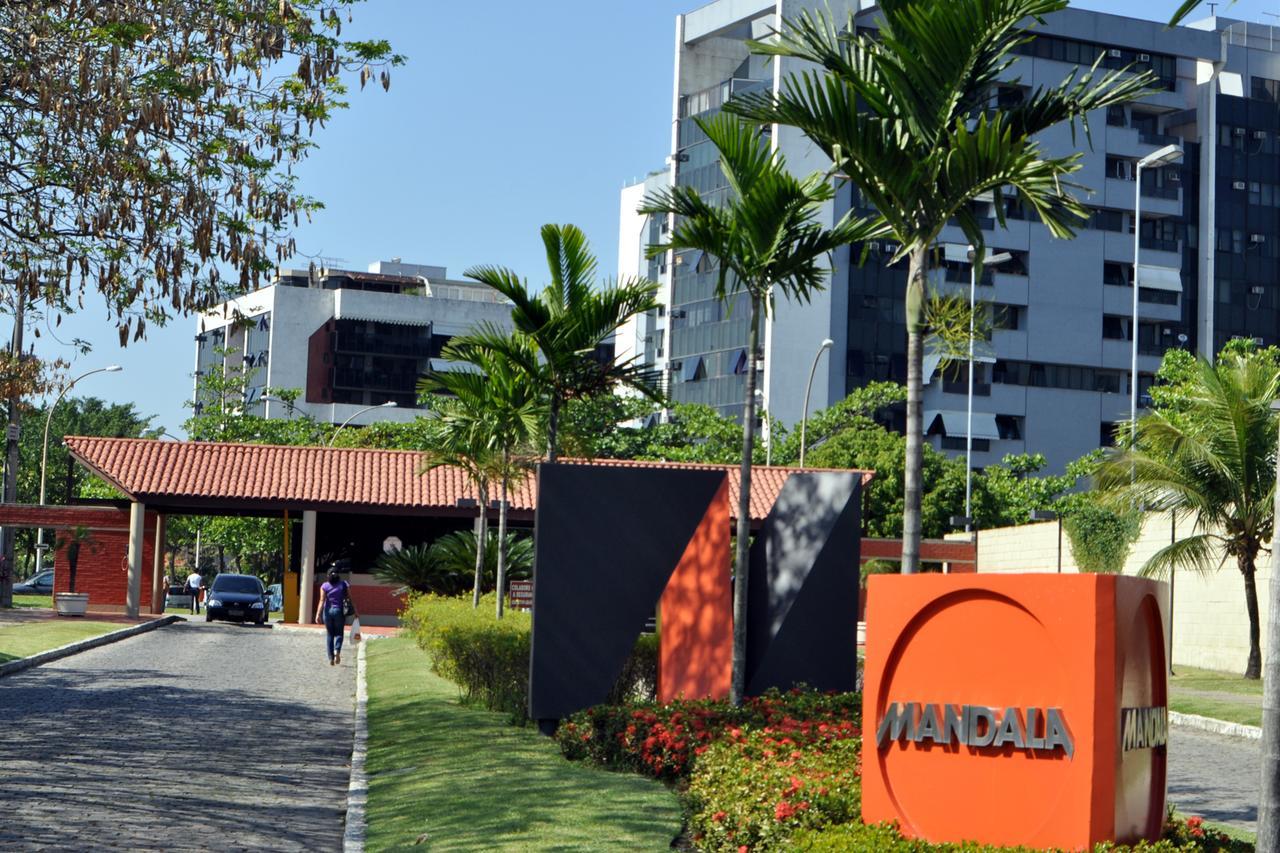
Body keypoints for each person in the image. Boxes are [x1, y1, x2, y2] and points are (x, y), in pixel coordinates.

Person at [315, 570, 357, 665]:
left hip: (328, 612)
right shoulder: (344, 584)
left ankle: (331, 658)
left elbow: (322, 600)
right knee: (339, 633)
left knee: (330, 634)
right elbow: (351, 598)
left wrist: (318, 614)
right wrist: (356, 612)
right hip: (339, 612)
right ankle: (337, 650)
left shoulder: (324, 586)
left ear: (327, 575)